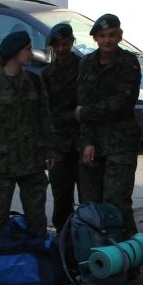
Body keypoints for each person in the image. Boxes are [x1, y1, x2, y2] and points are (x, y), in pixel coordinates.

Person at [0, 30, 54, 230]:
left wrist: (49, 150)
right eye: (27, 49)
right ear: (14, 52)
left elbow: (45, 119)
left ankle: (37, 250)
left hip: (32, 160)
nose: (31, 53)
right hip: (2, 162)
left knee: (37, 218)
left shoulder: (35, 82)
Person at [76, 14, 142, 237]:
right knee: (91, 204)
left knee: (118, 202)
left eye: (112, 35)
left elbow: (122, 102)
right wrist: (87, 142)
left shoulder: (128, 62)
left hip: (120, 142)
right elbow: (82, 102)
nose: (107, 40)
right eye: (102, 36)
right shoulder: (86, 63)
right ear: (95, 38)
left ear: (119, 37)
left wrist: (87, 112)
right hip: (94, 143)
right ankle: (96, 251)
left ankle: (127, 250)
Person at [40, 22, 80, 230]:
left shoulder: (84, 67)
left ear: (72, 42)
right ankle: (63, 237)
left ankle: (87, 237)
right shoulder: (47, 73)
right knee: (61, 197)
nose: (62, 49)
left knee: (89, 196)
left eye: (65, 44)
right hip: (58, 143)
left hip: (82, 140)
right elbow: (44, 111)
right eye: (57, 45)